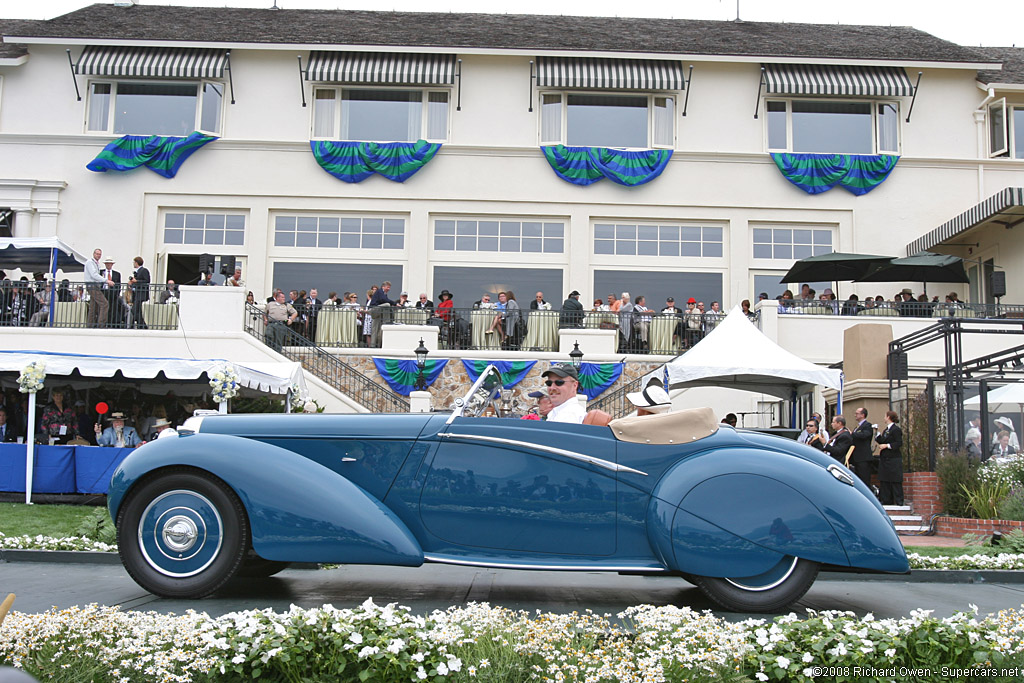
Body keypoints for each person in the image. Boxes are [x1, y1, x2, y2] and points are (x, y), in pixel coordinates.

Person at [875, 410, 904, 505]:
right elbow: (883, 441)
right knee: (885, 479)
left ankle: (899, 501)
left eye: (885, 416)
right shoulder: (886, 430)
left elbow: (898, 443)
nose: (884, 418)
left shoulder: (896, 430)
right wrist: (877, 433)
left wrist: (887, 446)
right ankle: (886, 500)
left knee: (895, 480)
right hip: (885, 459)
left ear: (888, 417)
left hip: (893, 459)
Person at [850, 407, 875, 488]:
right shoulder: (857, 427)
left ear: (863, 415)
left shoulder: (867, 425)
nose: (855, 415)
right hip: (856, 457)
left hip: (863, 457)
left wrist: (852, 434)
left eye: (857, 413)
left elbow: (865, 435)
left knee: (864, 479)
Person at [84, 248, 110, 327]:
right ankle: (101, 324)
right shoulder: (90, 262)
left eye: (100, 254)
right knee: (104, 304)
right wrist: (106, 280)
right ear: (93, 254)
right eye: (97, 254)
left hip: (94, 286)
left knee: (93, 306)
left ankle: (90, 324)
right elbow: (94, 275)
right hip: (92, 286)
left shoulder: (96, 264)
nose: (98, 256)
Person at [369, 280, 398, 347]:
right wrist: (394, 303)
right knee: (387, 304)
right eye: (388, 287)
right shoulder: (379, 292)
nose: (389, 289)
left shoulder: (383, 293)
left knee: (377, 329)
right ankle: (373, 345)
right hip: (375, 309)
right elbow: (384, 300)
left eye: (389, 287)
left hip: (380, 311)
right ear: (383, 286)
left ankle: (379, 345)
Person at [128, 256, 150, 329]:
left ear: (136, 263)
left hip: (141, 294)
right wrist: (132, 284)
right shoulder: (137, 272)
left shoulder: (144, 270)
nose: (133, 264)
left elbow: (147, 281)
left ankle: (140, 325)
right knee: (137, 311)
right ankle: (141, 325)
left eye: (134, 262)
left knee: (135, 310)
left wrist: (136, 281)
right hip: (137, 294)